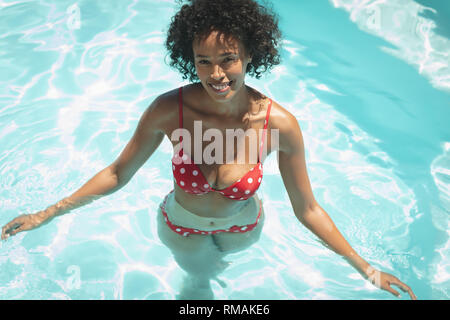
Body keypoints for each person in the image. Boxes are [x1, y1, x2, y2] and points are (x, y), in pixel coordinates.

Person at [1, 0, 416, 300]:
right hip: (181, 226)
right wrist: (47, 214)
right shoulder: (169, 111)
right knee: (197, 287)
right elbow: (117, 174)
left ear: (252, 53)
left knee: (231, 282)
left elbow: (307, 208)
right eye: (203, 61)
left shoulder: (279, 124)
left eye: (228, 59)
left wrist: (366, 270)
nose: (216, 75)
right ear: (189, 59)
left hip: (245, 229)